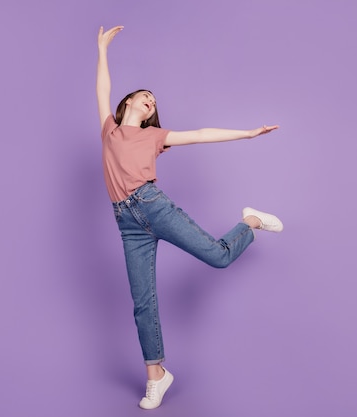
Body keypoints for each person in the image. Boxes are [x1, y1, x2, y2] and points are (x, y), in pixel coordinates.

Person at [96, 25, 284, 410]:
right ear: (128, 101)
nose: (150, 101)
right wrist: (102, 51)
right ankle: (157, 376)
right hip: (127, 224)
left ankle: (250, 222)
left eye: (153, 101)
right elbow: (101, 89)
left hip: (153, 205)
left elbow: (200, 133)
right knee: (142, 301)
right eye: (144, 96)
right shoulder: (110, 131)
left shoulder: (155, 136)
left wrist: (247, 134)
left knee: (218, 257)